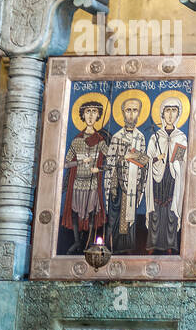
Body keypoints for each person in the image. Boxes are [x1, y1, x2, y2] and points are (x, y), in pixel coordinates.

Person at [61, 99, 109, 252]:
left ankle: (89, 242)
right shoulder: (76, 141)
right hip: (78, 183)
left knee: (91, 212)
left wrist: (99, 169)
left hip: (92, 182)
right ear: (82, 115)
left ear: (98, 116)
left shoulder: (101, 141)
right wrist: (80, 162)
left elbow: (111, 162)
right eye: (87, 111)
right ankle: (76, 241)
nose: (90, 115)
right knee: (76, 212)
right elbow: (66, 163)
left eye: (94, 112)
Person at [105, 96, 149, 253]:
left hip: (133, 185)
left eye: (135, 110)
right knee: (114, 218)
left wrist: (143, 161)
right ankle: (110, 247)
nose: (131, 114)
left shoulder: (140, 137)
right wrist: (123, 158)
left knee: (129, 219)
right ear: (123, 113)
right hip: (118, 185)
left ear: (139, 113)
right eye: (128, 110)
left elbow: (143, 163)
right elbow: (110, 162)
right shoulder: (117, 137)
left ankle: (127, 249)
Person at [145, 98, 187, 254]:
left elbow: (181, 160)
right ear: (162, 114)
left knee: (171, 211)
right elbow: (147, 159)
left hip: (172, 179)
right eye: (167, 111)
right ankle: (153, 244)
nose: (170, 115)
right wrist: (157, 158)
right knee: (155, 211)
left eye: (174, 111)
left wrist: (173, 161)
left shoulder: (181, 136)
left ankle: (170, 245)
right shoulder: (156, 136)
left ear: (178, 114)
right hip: (157, 180)